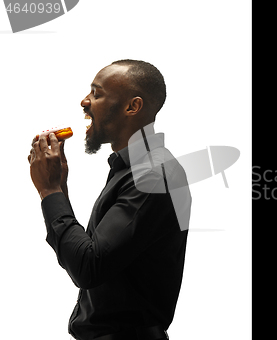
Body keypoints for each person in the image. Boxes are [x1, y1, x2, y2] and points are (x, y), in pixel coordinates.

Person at [28, 60, 191, 340]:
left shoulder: (152, 176)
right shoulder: (131, 170)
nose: (84, 101)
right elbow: (80, 256)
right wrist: (60, 188)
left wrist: (50, 190)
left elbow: (88, 267)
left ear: (132, 107)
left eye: (96, 93)